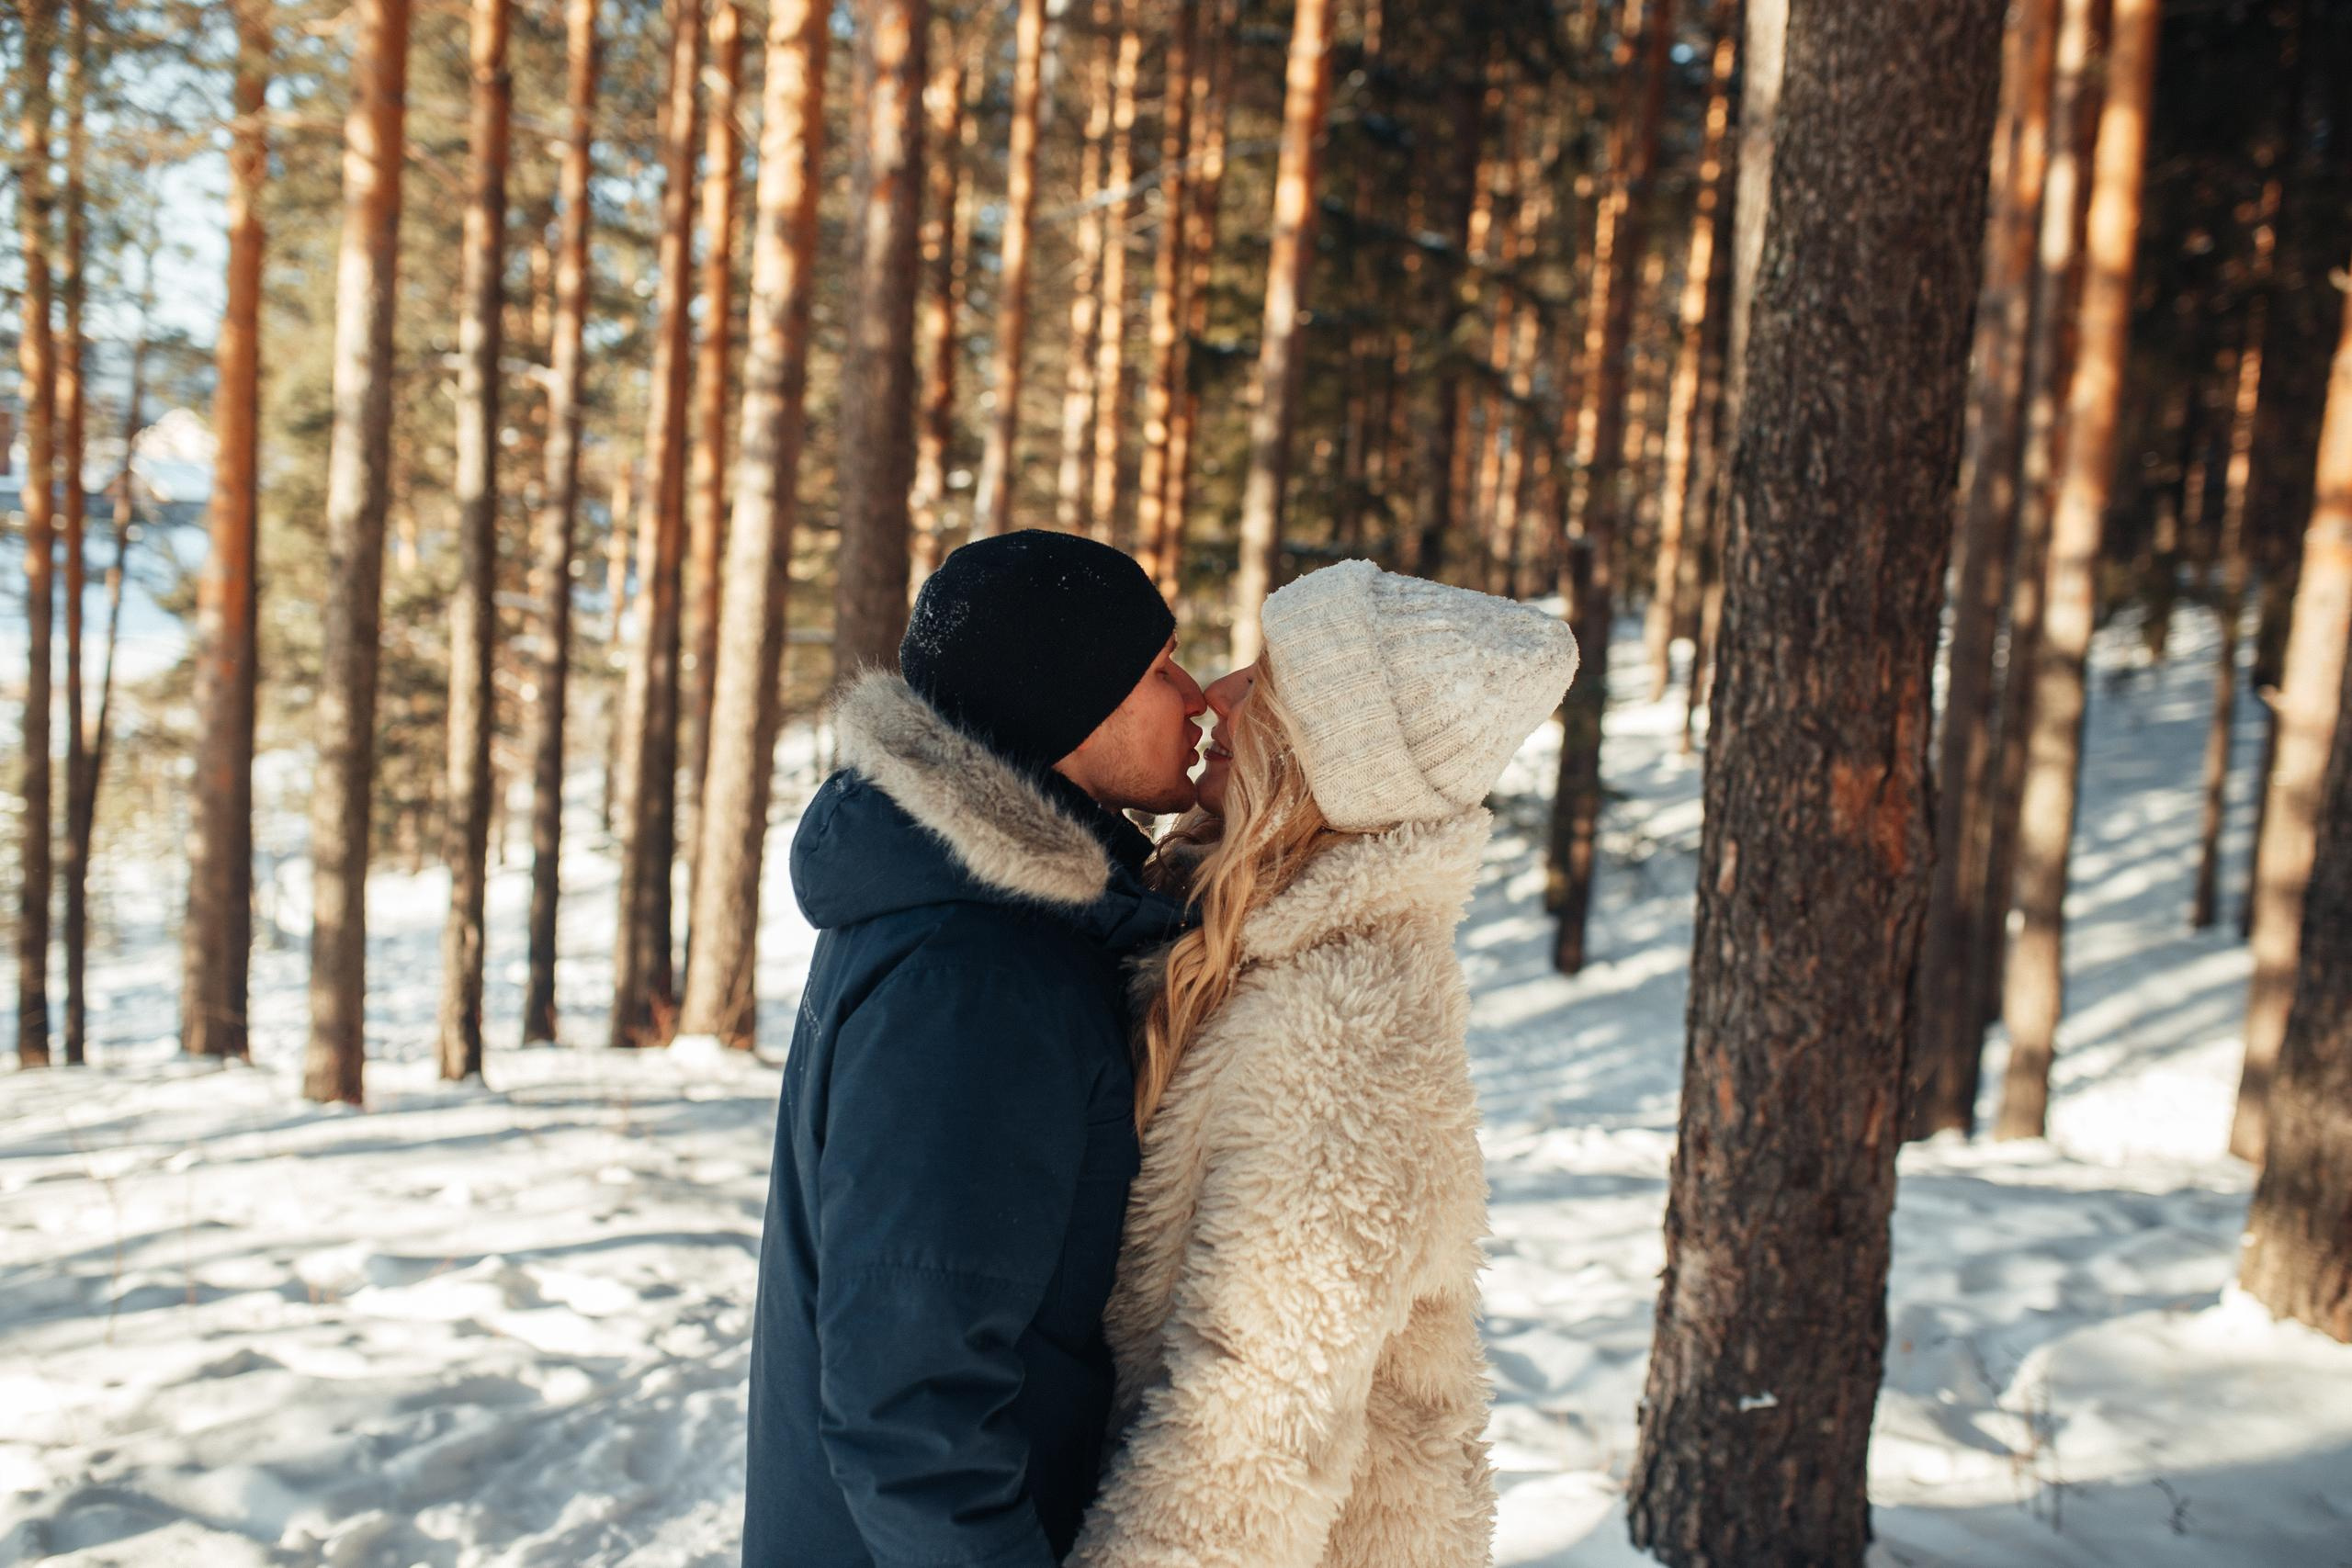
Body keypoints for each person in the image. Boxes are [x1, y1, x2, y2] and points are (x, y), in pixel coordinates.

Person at [1069, 560, 1579, 1568]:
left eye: (1262, 686)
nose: (1215, 694)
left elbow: (1255, 1422)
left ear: (1321, 757)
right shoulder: (1248, 948)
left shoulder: (1351, 1027)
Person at [742, 530, 1206, 1568]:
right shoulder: (977, 972)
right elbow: (910, 1412)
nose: (1195, 694)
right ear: (1067, 701)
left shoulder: (958, 904)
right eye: (1157, 668)